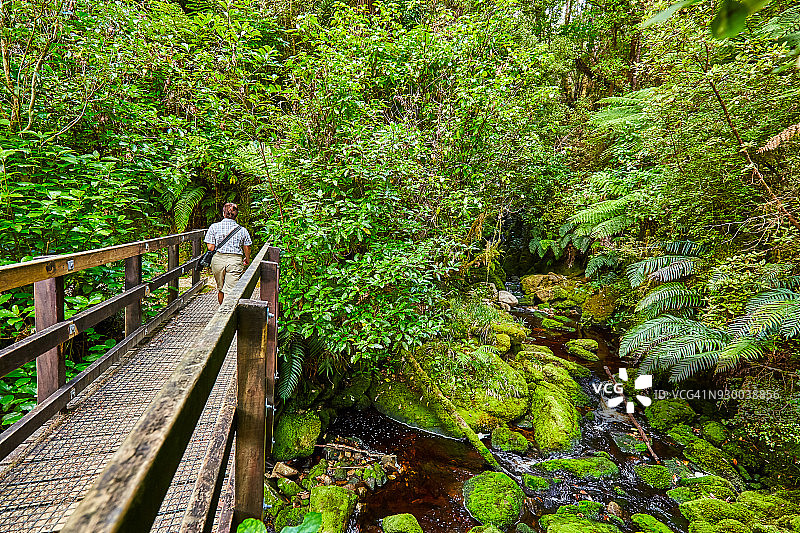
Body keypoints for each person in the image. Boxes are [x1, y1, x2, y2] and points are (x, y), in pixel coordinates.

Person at [205, 203, 252, 304]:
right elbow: (247, 247)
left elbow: (211, 247)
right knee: (231, 289)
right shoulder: (242, 230)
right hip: (235, 260)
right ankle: (227, 315)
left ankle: (222, 311)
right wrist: (247, 258)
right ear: (236, 215)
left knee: (220, 288)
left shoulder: (214, 227)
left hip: (218, 260)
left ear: (223, 213)